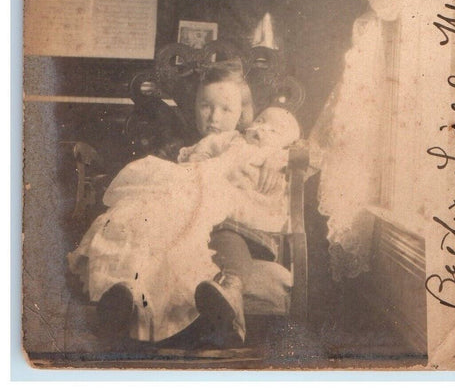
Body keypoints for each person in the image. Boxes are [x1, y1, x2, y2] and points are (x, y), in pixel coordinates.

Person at [68, 62, 300, 343]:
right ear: (194, 105)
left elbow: (290, 153)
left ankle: (225, 295)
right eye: (205, 105)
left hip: (230, 222)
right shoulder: (183, 146)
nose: (214, 117)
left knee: (215, 235)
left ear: (243, 115)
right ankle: (125, 294)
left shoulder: (251, 146)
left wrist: (273, 158)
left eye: (226, 109)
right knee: (142, 220)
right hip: (182, 215)